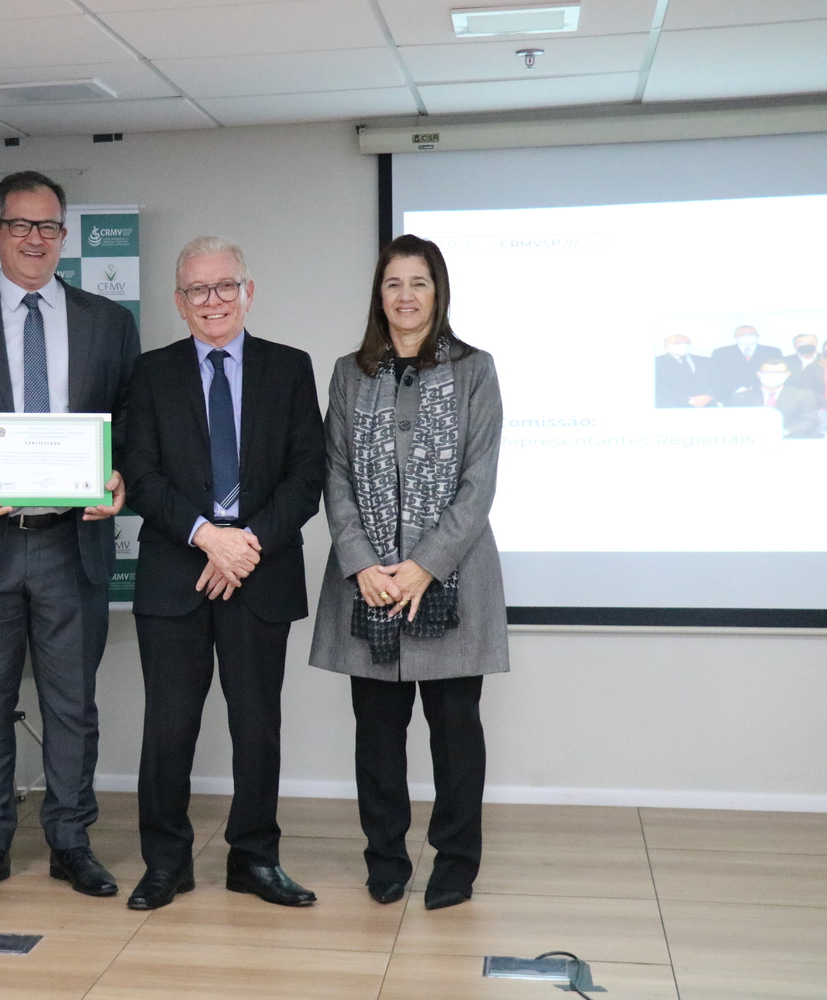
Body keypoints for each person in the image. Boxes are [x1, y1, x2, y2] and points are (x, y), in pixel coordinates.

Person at [0, 171, 141, 900]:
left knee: (72, 703)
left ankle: (71, 841)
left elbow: (134, 428)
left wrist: (121, 479)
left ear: (65, 235)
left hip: (69, 544)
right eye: (21, 226)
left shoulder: (109, 321)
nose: (36, 240)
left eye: (50, 227)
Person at [121, 236, 324, 911]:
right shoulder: (150, 374)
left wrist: (246, 543)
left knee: (257, 726)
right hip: (176, 572)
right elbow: (142, 475)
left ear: (249, 291)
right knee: (169, 727)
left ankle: (255, 859)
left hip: (259, 575)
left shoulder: (290, 369)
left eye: (224, 287)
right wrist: (209, 538)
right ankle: (166, 863)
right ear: (180, 302)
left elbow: (308, 475)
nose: (212, 301)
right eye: (197, 291)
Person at [308, 234, 508, 912]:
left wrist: (424, 565)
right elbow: (332, 473)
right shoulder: (348, 372)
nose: (406, 296)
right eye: (394, 283)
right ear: (379, 295)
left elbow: (479, 483)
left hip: (450, 580)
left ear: (438, 292)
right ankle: (386, 861)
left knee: (456, 737)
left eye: (418, 283)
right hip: (370, 587)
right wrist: (364, 564)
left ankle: (455, 864)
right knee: (377, 738)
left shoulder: (475, 370)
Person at [730, 360, 821, 438]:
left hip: (791, 440)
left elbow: (810, 421)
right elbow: (734, 422)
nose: (773, 375)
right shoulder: (741, 397)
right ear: (759, 374)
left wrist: (785, 432)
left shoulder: (803, 395)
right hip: (753, 440)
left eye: (779, 373)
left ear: (787, 374)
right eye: (768, 372)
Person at [710, 324, 782, 402]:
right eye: (742, 334)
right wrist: (737, 389)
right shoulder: (721, 353)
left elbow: (779, 372)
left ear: (757, 335)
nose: (747, 336)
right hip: (730, 396)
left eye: (751, 334)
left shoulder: (772, 352)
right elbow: (716, 375)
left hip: (764, 395)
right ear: (735, 336)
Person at [653, 334, 717, 408]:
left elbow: (719, 381)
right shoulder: (656, 362)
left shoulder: (706, 361)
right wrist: (688, 400)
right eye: (676, 343)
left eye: (687, 343)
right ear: (666, 346)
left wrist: (709, 396)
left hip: (707, 405)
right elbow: (658, 386)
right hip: (671, 407)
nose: (683, 346)